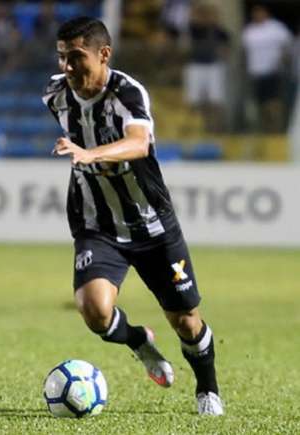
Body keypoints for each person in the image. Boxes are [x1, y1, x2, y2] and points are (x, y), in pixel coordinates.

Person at [42, 17, 223, 415]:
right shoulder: (55, 95)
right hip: (97, 224)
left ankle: (208, 387)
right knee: (94, 311)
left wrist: (91, 154)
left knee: (187, 322)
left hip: (152, 226)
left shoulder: (127, 92)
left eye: (76, 57)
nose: (67, 67)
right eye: (61, 58)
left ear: (104, 54)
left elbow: (139, 143)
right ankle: (139, 341)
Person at [242, 5, 292, 133]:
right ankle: (265, 130)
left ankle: (277, 129)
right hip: (256, 73)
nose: (258, 16)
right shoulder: (249, 31)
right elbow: (245, 53)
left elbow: (288, 45)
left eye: (260, 13)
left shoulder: (276, 28)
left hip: (273, 71)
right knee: (261, 104)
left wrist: (283, 60)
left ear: (266, 13)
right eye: (255, 13)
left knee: (274, 103)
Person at [183, 3, 229, 133]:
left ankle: (216, 128)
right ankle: (197, 127)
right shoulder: (193, 29)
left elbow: (225, 49)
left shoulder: (220, 32)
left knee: (216, 101)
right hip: (196, 66)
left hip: (213, 66)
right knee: (194, 101)